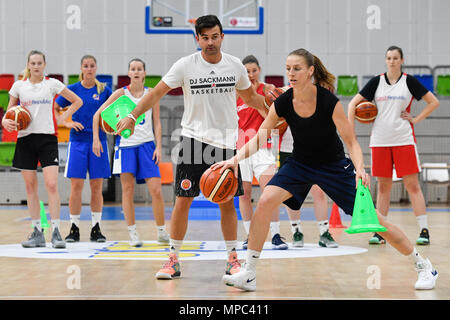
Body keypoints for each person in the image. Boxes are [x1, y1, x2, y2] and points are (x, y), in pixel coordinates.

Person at [215, 48, 438, 291]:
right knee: (266, 199)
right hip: (299, 164)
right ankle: (249, 273)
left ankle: (424, 266)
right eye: (288, 68)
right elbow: (260, 136)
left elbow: (351, 141)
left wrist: (360, 169)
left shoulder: (328, 101)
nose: (291, 73)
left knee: (375, 221)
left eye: (297, 68)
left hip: (333, 167)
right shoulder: (282, 102)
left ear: (310, 71)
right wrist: (234, 160)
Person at [116, 15, 267, 280]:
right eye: (205, 37)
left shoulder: (234, 66)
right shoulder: (185, 65)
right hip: (192, 142)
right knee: (182, 201)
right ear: (197, 39)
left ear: (222, 37)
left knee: (226, 203)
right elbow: (155, 94)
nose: (210, 42)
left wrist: (272, 113)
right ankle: (173, 259)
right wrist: (131, 113)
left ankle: (233, 259)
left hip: (225, 144)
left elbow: (251, 98)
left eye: (215, 36)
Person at [347, 46, 440, 246]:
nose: (391, 61)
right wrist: (350, 133)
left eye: (395, 58)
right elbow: (352, 104)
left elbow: (433, 102)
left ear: (402, 60)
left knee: (412, 185)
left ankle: (424, 230)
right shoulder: (376, 82)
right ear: (386, 60)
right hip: (380, 141)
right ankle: (380, 232)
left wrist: (415, 119)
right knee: (383, 187)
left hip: (404, 139)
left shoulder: (409, 82)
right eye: (388, 58)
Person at [1, 50, 83, 248]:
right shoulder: (19, 86)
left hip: (47, 140)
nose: (36, 66)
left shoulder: (52, 84)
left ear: (44, 65)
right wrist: (5, 122)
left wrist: (63, 118)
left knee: (52, 184)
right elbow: (8, 112)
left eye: (39, 63)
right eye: (33, 63)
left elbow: (77, 101)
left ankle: (56, 232)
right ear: (28, 65)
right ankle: (37, 231)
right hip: (25, 140)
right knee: (30, 187)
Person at [92, 58, 170, 247]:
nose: (136, 71)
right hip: (125, 147)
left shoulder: (151, 94)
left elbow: (157, 122)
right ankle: (133, 233)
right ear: (128, 73)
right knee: (127, 191)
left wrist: (159, 146)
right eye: (133, 69)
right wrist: (97, 137)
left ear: (144, 73)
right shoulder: (121, 93)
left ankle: (161, 232)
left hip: (147, 146)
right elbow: (98, 115)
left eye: (139, 69)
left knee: (156, 190)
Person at [55, 55, 112, 243]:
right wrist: (67, 122)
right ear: (81, 68)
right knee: (76, 186)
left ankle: (96, 228)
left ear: (96, 68)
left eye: (92, 66)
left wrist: (110, 125)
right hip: (77, 142)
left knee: (96, 187)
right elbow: (56, 108)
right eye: (86, 66)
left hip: (99, 142)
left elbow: (115, 113)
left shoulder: (104, 90)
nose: (89, 69)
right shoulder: (72, 90)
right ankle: (74, 228)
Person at [236, 55, 289, 250]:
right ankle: (250, 236)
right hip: (241, 146)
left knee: (270, 192)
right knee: (244, 194)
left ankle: (275, 235)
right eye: (247, 71)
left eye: (253, 70)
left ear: (259, 70)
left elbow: (272, 119)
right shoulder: (235, 92)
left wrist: (256, 103)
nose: (250, 75)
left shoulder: (267, 91)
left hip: (263, 146)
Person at [278, 126, 338, 248]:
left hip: (313, 148)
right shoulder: (279, 106)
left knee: (319, 191)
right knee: (290, 195)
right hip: (287, 148)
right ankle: (296, 231)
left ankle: (324, 232)